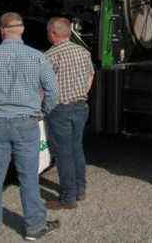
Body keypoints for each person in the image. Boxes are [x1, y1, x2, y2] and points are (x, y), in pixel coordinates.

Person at [0, 13, 60, 242]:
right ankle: (35, 227)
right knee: (28, 177)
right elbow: (53, 92)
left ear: (2, 30)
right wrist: (41, 112)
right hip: (26, 124)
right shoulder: (37, 57)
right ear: (22, 29)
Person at [44, 17, 95, 210]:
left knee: (63, 153)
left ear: (53, 34)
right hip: (81, 106)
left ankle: (68, 197)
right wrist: (82, 92)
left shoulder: (49, 55)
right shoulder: (83, 51)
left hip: (60, 109)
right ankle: (80, 189)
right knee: (76, 148)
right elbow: (91, 75)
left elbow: (44, 86)